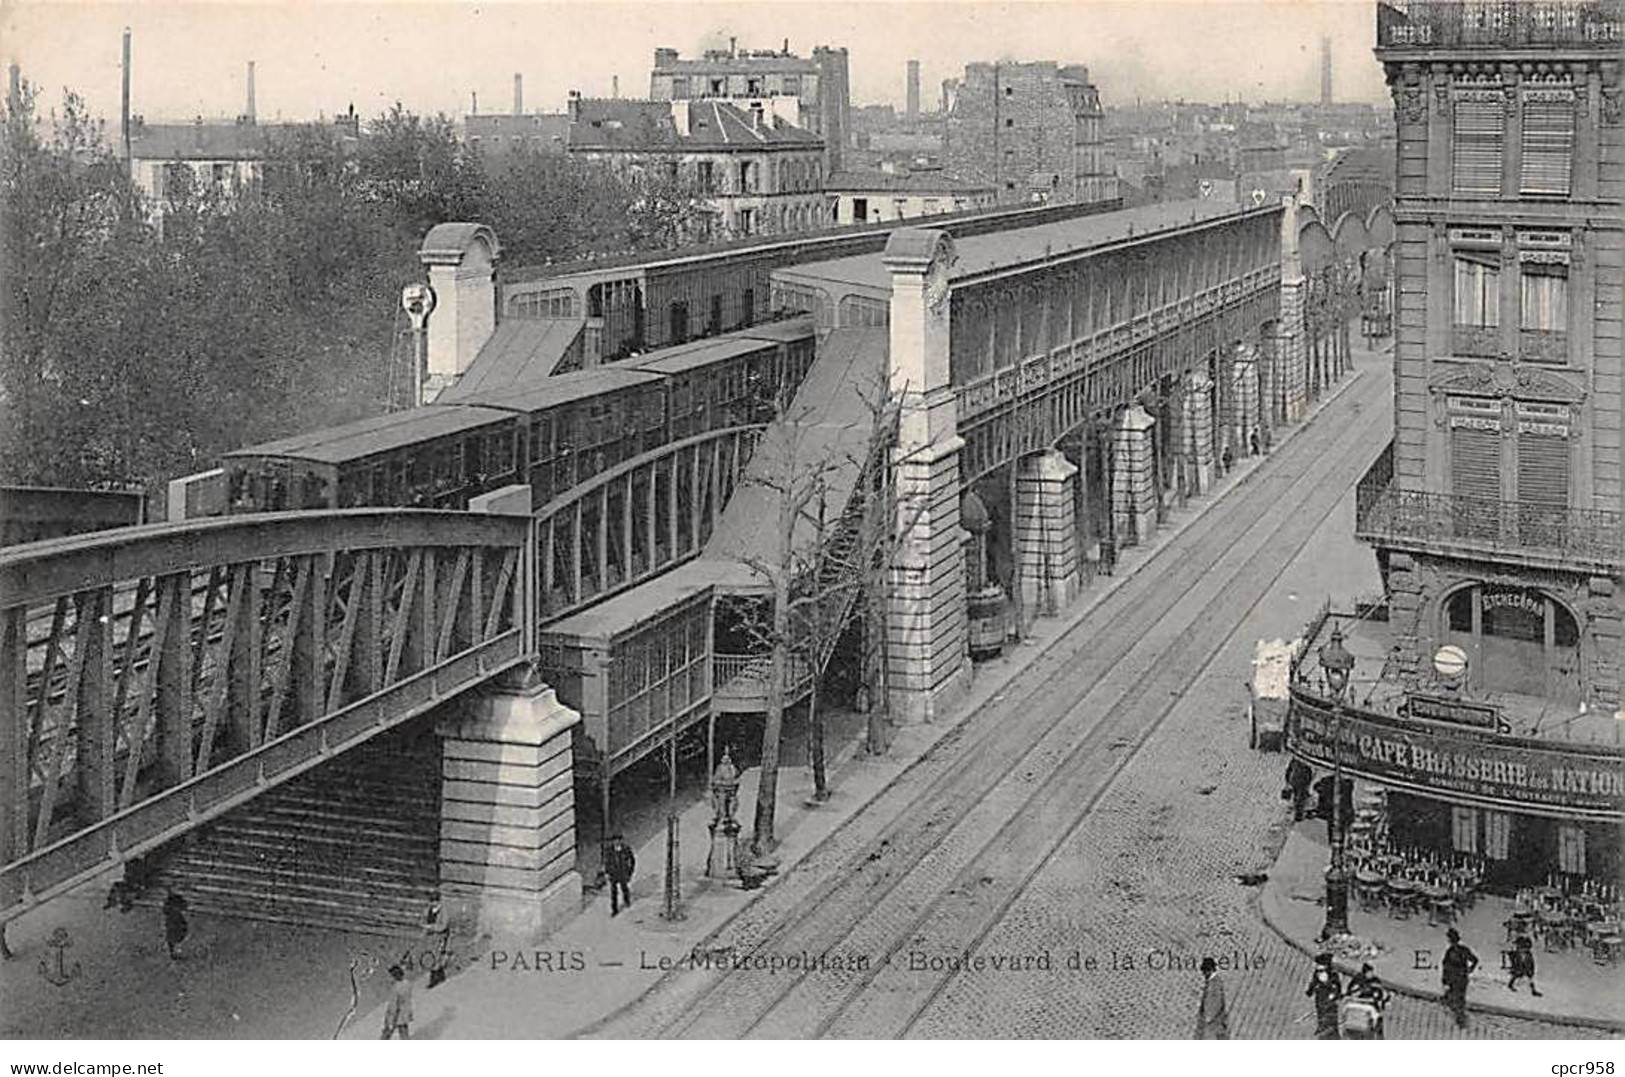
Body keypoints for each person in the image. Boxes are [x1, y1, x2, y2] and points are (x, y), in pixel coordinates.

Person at [1441, 927, 1479, 1029]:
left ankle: (1460, 1020)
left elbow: (1446, 966)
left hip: (1456, 978)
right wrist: (1470, 969)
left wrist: (1445, 979)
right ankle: (1458, 1017)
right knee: (1457, 998)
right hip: (1460, 977)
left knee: (1456, 998)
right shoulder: (1461, 950)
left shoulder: (1451, 951)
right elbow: (1475, 960)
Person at [1345, 963, 1389, 1039]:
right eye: (1369, 972)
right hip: (1360, 1007)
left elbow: (1381, 993)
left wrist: (1382, 1000)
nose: (1371, 974)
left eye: (1371, 972)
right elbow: (1351, 992)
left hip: (1372, 1006)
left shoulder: (1375, 981)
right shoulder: (1357, 980)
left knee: (1377, 1022)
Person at [1305, 951, 1342, 1039]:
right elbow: (1314, 982)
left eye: (1320, 964)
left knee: (1329, 1014)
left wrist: (1333, 995)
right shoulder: (1317, 973)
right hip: (1320, 995)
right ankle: (1321, 1026)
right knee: (1320, 1011)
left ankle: (1331, 1031)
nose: (1317, 967)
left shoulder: (1333, 974)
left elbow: (1336, 987)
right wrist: (1310, 990)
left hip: (1329, 997)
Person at [1194, 956, 1229, 1039]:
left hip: (1212, 1027)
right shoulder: (1212, 982)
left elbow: (1215, 1004)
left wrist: (1207, 1019)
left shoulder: (1214, 983)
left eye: (1204, 971)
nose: (1203, 974)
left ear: (1209, 970)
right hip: (1212, 1025)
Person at [604, 834, 635, 917]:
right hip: (613, 873)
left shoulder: (626, 849)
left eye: (618, 840)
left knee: (624, 887)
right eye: (615, 840)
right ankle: (614, 909)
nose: (616, 842)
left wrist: (630, 871)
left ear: (621, 841)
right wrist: (607, 872)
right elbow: (606, 862)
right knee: (613, 892)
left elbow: (632, 860)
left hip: (623, 872)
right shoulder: (609, 850)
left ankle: (627, 900)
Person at [422, 901, 450, 989]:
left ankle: (434, 978)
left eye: (435, 901)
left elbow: (444, 926)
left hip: (441, 936)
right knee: (434, 954)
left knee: (436, 955)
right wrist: (425, 927)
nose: (433, 903)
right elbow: (423, 920)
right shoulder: (427, 910)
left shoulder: (443, 912)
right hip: (431, 936)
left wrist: (433, 927)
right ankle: (441, 974)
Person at [380, 965, 413, 1040]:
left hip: (396, 1014)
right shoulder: (407, 983)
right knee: (404, 1033)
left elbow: (393, 1004)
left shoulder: (396, 987)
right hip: (405, 1013)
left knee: (387, 1033)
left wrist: (390, 1017)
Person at [162, 891, 189, 961]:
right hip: (174, 923)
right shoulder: (177, 937)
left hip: (174, 923)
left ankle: (174, 952)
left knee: (174, 935)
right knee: (174, 935)